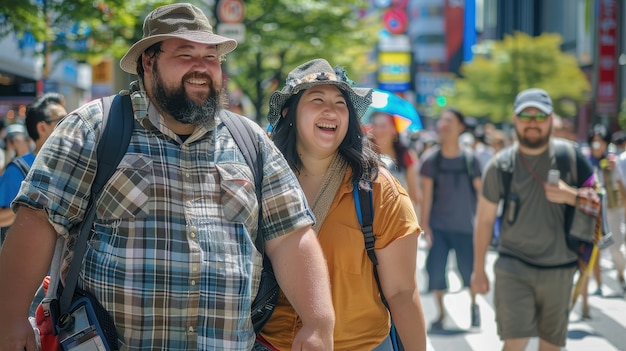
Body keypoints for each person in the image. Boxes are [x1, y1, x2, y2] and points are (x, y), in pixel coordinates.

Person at [0, 3, 335, 350]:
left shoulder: (249, 142)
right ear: (148, 61)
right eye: (186, 54)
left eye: (210, 56)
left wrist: (318, 322)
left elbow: (291, 235)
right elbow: (38, 220)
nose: (201, 68)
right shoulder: (93, 129)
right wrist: (9, 318)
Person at [257, 58, 427, 351]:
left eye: (340, 102)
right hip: (268, 343)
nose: (331, 110)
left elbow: (401, 292)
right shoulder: (259, 180)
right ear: (289, 112)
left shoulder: (377, 189)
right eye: (317, 98)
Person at [472, 88, 596, 351]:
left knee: (550, 347)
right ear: (515, 119)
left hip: (560, 268)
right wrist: (478, 268)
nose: (532, 122)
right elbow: (484, 220)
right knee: (514, 342)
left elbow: (600, 205)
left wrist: (571, 195)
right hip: (513, 265)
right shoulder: (500, 165)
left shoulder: (572, 158)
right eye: (525, 115)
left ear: (551, 119)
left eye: (539, 116)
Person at [419, 107, 482, 330]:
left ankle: (474, 304)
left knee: (469, 272)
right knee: (435, 270)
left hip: (466, 226)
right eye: (442, 121)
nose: (443, 125)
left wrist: (484, 226)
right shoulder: (430, 160)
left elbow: (482, 194)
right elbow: (426, 197)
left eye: (449, 121)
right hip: (439, 227)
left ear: (460, 127)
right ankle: (441, 314)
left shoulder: (470, 159)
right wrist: (424, 226)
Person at [0, 93, 66, 245]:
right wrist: (32, 209)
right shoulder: (19, 169)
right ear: (42, 127)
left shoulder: (73, 164)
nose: (70, 125)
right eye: (62, 120)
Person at [369, 111, 421, 209]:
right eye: (375, 125)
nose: (378, 130)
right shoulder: (364, 154)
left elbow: (414, 194)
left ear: (394, 129)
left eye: (383, 126)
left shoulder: (406, 156)